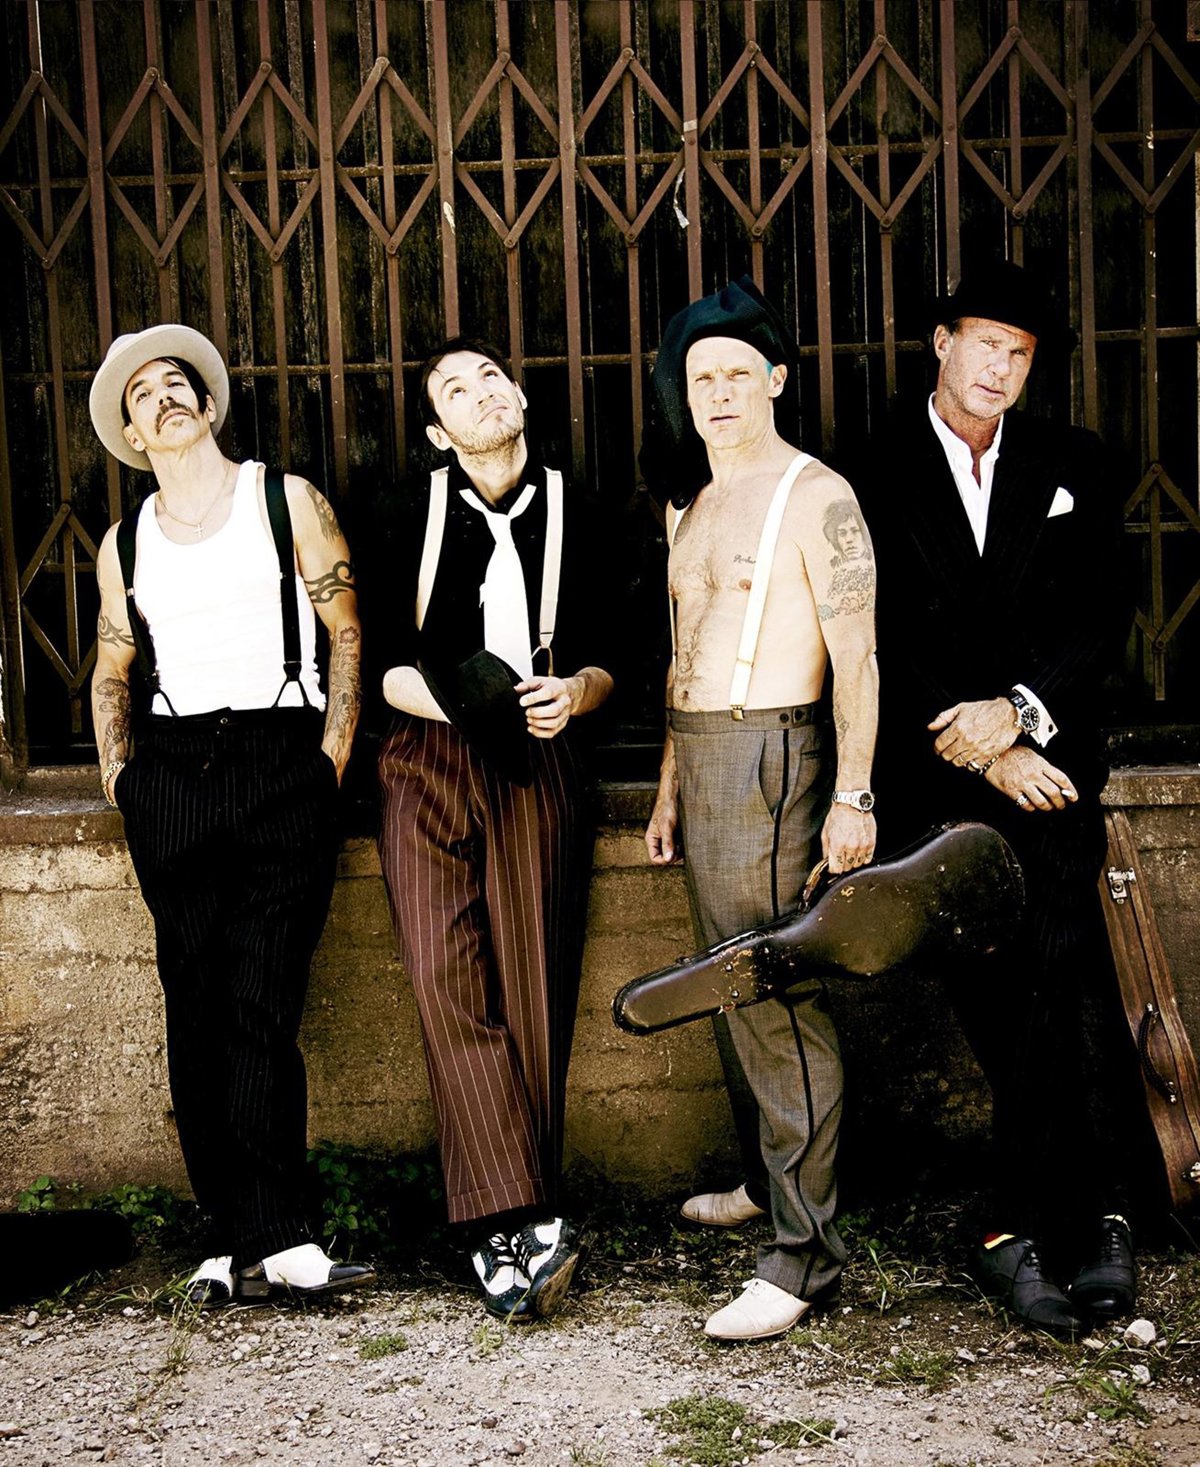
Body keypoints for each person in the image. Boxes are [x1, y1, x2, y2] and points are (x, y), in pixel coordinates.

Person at [856, 262, 1135, 1337]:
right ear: (942, 343)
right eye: (986, 343)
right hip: (938, 780)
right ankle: (1081, 1218)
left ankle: (1031, 1226)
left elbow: (1101, 616)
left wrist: (1019, 716)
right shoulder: (871, 465)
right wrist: (983, 753)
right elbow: (877, 637)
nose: (1001, 368)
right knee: (1010, 985)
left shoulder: (1073, 463)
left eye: (1020, 353)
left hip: (1049, 765)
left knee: (1060, 973)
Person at [89, 324, 371, 1307]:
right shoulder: (124, 542)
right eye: (142, 396)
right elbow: (112, 666)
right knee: (195, 1006)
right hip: (172, 773)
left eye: (177, 384)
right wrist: (122, 779)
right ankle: (225, 1237)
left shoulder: (283, 499)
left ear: (206, 406)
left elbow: (345, 628)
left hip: (280, 758)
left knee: (262, 999)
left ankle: (278, 1232)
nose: (163, 398)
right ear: (132, 434)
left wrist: (330, 758)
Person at [641, 278, 878, 1341]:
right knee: (725, 981)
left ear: (776, 379)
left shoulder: (815, 493)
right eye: (702, 377)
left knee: (774, 993)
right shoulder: (690, 503)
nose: (721, 392)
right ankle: (763, 1179)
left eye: (740, 372)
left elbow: (858, 657)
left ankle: (804, 1257)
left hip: (776, 755)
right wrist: (669, 787)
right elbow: (681, 659)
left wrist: (853, 793)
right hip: (705, 760)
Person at [373, 337, 613, 1322]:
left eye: (489, 378)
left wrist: (578, 692)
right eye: (454, 390)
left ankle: (524, 1219)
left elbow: (613, 655)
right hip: (426, 753)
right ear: (439, 431)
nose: (479, 395)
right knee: (444, 971)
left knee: (533, 978)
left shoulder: (577, 508)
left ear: (519, 395)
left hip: (541, 754)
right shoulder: (406, 511)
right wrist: (461, 708)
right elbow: (382, 664)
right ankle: (506, 1212)